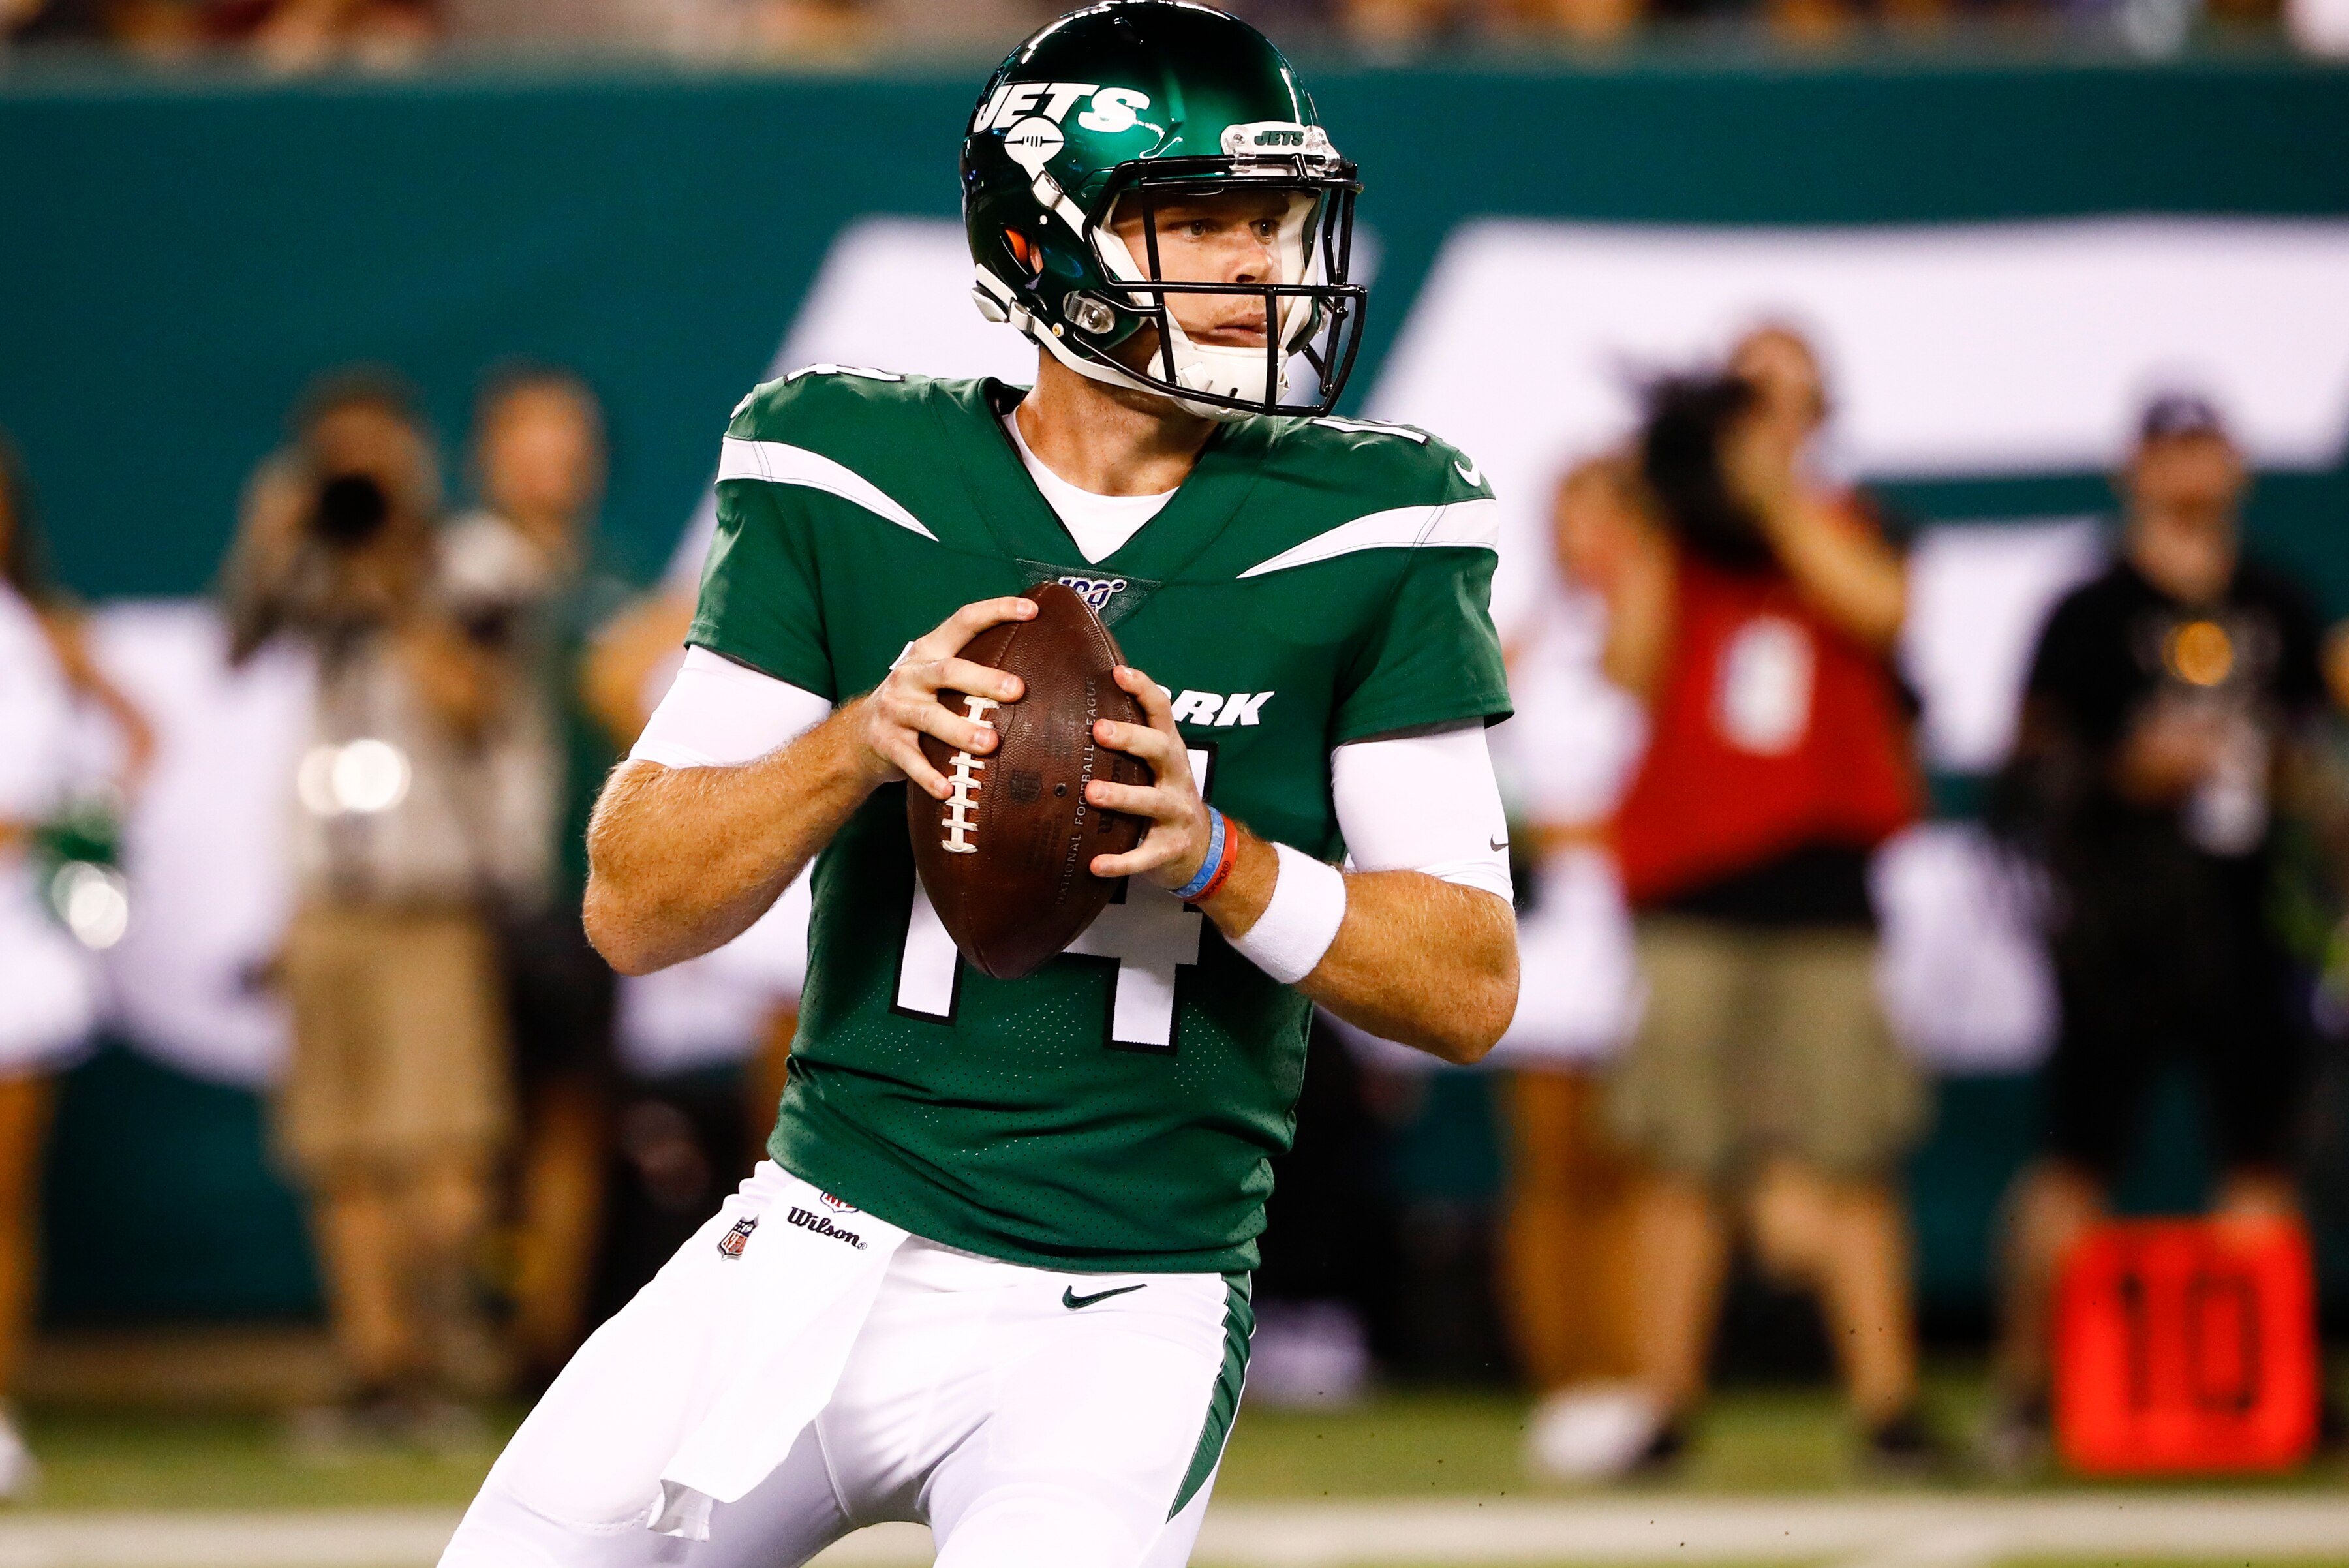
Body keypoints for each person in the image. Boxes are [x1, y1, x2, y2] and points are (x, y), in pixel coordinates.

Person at [440, 5, 1518, 1563]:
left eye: (1270, 218)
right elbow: (631, 903)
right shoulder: (847, 468)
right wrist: (855, 738)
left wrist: (1221, 855)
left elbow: (1470, 985)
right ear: (1045, 237)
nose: (1255, 262)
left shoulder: (1378, 518)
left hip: (1123, 1300)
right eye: (1197, 219)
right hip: (819, 1240)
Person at [1559, 326, 1931, 1479]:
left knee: (1847, 1159)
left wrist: (1771, 499)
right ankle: (1664, 1403)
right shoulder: (1679, 532)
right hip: (1692, 885)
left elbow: (1877, 611)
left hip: (1823, 884)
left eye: (1786, 400)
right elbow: (1631, 667)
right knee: (1682, 1163)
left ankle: (1888, 1408)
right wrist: (1669, 515)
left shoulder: (1848, 523)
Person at [1984, 395, 2327, 1469]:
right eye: (2171, 450)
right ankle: (2025, 1395)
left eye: (2207, 448)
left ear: (2237, 465)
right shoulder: (2088, 610)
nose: (2190, 470)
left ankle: (2268, 1395)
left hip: (2249, 917)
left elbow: (2320, 757)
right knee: (2075, 1160)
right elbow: (2026, 765)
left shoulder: (2279, 599)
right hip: (2121, 919)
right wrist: (2123, 773)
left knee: (2261, 1161)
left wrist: (2290, 775)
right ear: (2133, 466)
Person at [228, 373, 540, 1445]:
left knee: (444, 1155)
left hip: (432, 897)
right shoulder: (306, 560)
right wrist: (272, 535)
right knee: (342, 1148)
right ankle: (378, 1378)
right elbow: (235, 646)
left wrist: (395, 579)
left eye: (377, 455)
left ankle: (440, 1345)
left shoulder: (474, 560)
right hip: (329, 898)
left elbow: (475, 702)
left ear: (420, 458)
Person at [444, 367, 624, 1381]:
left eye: (568, 438)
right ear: (488, 455)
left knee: (574, 1114)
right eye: (529, 437)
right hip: (474, 888)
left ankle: (544, 1347)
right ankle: (453, 1338)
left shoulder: (611, 579)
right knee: (469, 1127)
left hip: (585, 890)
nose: (551, 460)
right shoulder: (453, 570)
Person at [0, 435, 153, 1498]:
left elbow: (134, 741)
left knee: (4, 1204)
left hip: (15, 956)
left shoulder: (33, 632)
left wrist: (77, 821)